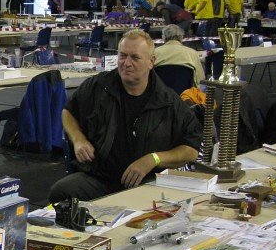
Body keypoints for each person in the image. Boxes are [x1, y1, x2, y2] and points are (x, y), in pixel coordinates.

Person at [48, 29, 202, 202]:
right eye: (122, 56)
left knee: (153, 205)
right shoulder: (98, 86)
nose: (127, 63)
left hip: (145, 183)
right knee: (60, 191)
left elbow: (191, 149)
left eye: (135, 58)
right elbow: (68, 112)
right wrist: (78, 139)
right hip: (99, 178)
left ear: (151, 62)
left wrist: (154, 159)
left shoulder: (168, 102)